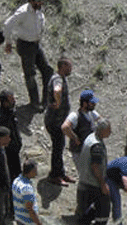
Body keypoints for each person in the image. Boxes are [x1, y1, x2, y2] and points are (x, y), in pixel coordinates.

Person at [4, 0, 53, 109]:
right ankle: (34, 102)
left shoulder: (38, 10)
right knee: (30, 75)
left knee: (47, 71)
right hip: (25, 45)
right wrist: (8, 42)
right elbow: (8, 25)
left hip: (36, 44)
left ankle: (46, 100)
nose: (41, 2)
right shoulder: (23, 12)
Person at [76, 120, 112, 225]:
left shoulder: (90, 137)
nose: (110, 133)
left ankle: (85, 221)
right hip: (93, 182)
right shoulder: (97, 146)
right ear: (102, 131)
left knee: (88, 205)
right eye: (108, 130)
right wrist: (103, 184)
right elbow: (95, 166)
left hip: (84, 179)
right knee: (104, 205)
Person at [44, 58, 73, 186]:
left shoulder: (60, 78)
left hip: (58, 121)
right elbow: (57, 90)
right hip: (54, 122)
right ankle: (54, 176)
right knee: (57, 148)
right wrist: (59, 102)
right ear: (63, 66)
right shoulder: (57, 79)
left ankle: (60, 173)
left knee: (60, 147)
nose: (71, 69)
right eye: (69, 66)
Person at [62, 89, 102, 173]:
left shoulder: (91, 113)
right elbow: (65, 127)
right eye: (91, 103)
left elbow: (101, 120)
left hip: (89, 149)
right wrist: (75, 138)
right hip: (80, 151)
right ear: (84, 103)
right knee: (84, 173)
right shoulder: (75, 116)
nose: (94, 104)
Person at [0, 90, 23, 180]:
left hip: (15, 149)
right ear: (5, 103)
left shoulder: (11, 112)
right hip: (7, 151)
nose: (14, 101)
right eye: (11, 100)